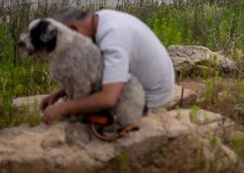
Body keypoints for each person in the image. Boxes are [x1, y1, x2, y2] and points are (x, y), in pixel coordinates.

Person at [39, 7, 175, 124]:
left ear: (73, 29)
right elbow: (97, 70)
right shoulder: (100, 19)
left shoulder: (113, 41)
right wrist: (57, 95)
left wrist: (63, 107)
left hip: (152, 94)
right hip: (153, 78)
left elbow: (108, 99)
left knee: (79, 114)